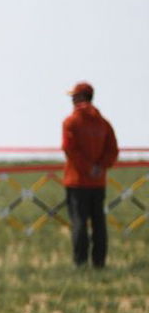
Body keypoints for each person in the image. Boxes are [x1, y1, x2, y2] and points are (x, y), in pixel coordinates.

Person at [62, 82, 119, 268]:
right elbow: (113, 150)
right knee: (99, 223)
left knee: (79, 222)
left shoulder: (71, 122)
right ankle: (99, 261)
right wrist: (100, 167)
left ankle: (80, 262)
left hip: (77, 182)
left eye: (73, 96)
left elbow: (69, 148)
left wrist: (87, 168)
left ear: (79, 97)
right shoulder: (104, 123)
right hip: (98, 182)